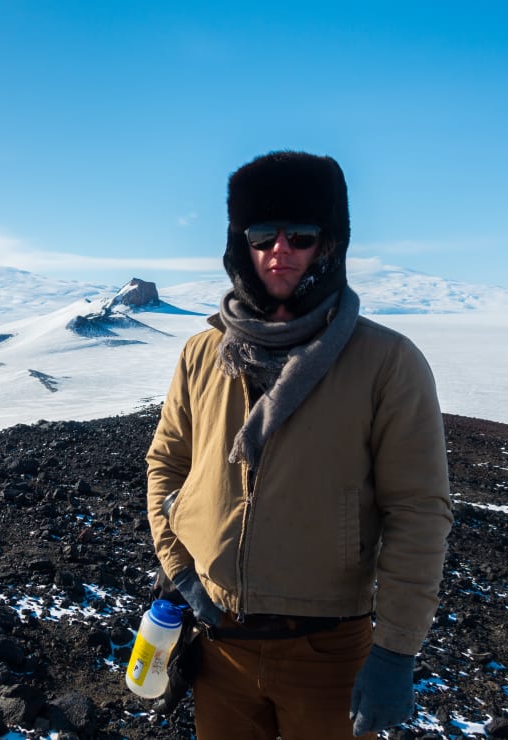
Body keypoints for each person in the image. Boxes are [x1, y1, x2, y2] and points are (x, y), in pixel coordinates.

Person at [145, 150, 453, 739]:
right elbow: (167, 464)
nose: (279, 250)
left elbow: (418, 511)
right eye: (262, 234)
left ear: (329, 244)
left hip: (328, 653)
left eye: (301, 234)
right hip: (217, 643)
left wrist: (395, 651)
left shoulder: (386, 362)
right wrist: (180, 567)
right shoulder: (202, 353)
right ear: (240, 243)